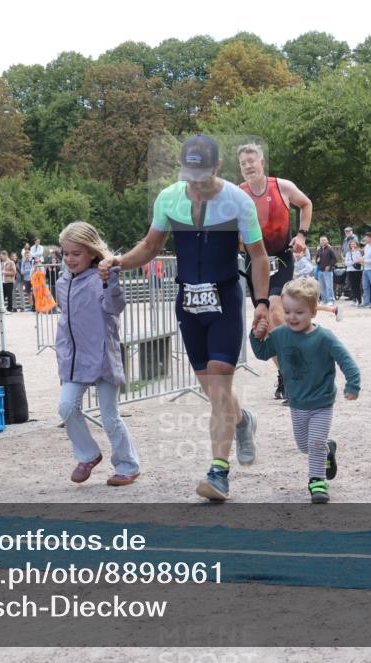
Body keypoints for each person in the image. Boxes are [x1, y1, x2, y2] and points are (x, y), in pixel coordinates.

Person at [97, 134, 270, 502]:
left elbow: (258, 255)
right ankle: (242, 421)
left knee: (220, 388)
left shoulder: (238, 201)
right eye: (190, 174)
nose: (196, 183)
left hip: (224, 300)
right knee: (214, 393)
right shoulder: (169, 198)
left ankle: (218, 473)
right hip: (188, 305)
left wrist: (261, 302)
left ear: (217, 168)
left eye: (203, 175)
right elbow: (150, 246)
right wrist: (118, 261)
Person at [249, 277, 360, 504]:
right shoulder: (280, 335)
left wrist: (353, 384)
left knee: (314, 442)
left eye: (299, 312)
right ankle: (329, 449)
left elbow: (346, 361)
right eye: (287, 311)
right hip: (297, 403)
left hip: (321, 403)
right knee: (304, 446)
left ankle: (317, 481)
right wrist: (256, 335)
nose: (291, 317)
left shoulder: (324, 338)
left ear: (313, 312)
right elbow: (262, 353)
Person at [56, 221, 140, 487]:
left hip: (103, 358)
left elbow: (115, 308)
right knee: (66, 407)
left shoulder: (101, 279)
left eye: (76, 253)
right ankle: (88, 454)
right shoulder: (61, 282)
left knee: (110, 416)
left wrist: (111, 281)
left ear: (92, 252)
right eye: (66, 253)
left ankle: (128, 465)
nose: (70, 259)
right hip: (74, 360)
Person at [237, 143, 317, 400]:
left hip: (281, 258)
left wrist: (302, 235)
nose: (248, 166)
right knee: (264, 322)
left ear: (262, 162)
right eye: (243, 163)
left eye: (252, 161)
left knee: (274, 311)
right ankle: (286, 372)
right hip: (253, 261)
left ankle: (295, 372)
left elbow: (306, 204)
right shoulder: (238, 194)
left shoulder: (282, 186)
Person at [314, 234, 337, 306]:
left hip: (328, 272)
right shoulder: (319, 249)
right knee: (322, 287)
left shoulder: (330, 249)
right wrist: (317, 260)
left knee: (329, 286)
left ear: (327, 241)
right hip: (320, 271)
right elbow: (316, 259)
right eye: (321, 240)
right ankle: (324, 300)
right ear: (320, 241)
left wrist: (329, 266)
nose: (323, 241)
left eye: (324, 240)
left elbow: (334, 259)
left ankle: (331, 300)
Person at [343, 239, 363, 306]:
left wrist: (353, 261)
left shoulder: (358, 252)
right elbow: (346, 263)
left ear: (357, 245)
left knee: (357, 286)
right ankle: (354, 299)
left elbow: (359, 260)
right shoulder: (348, 253)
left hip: (357, 271)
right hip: (349, 271)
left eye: (354, 244)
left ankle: (359, 300)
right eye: (351, 244)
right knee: (352, 286)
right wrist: (353, 262)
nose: (353, 245)